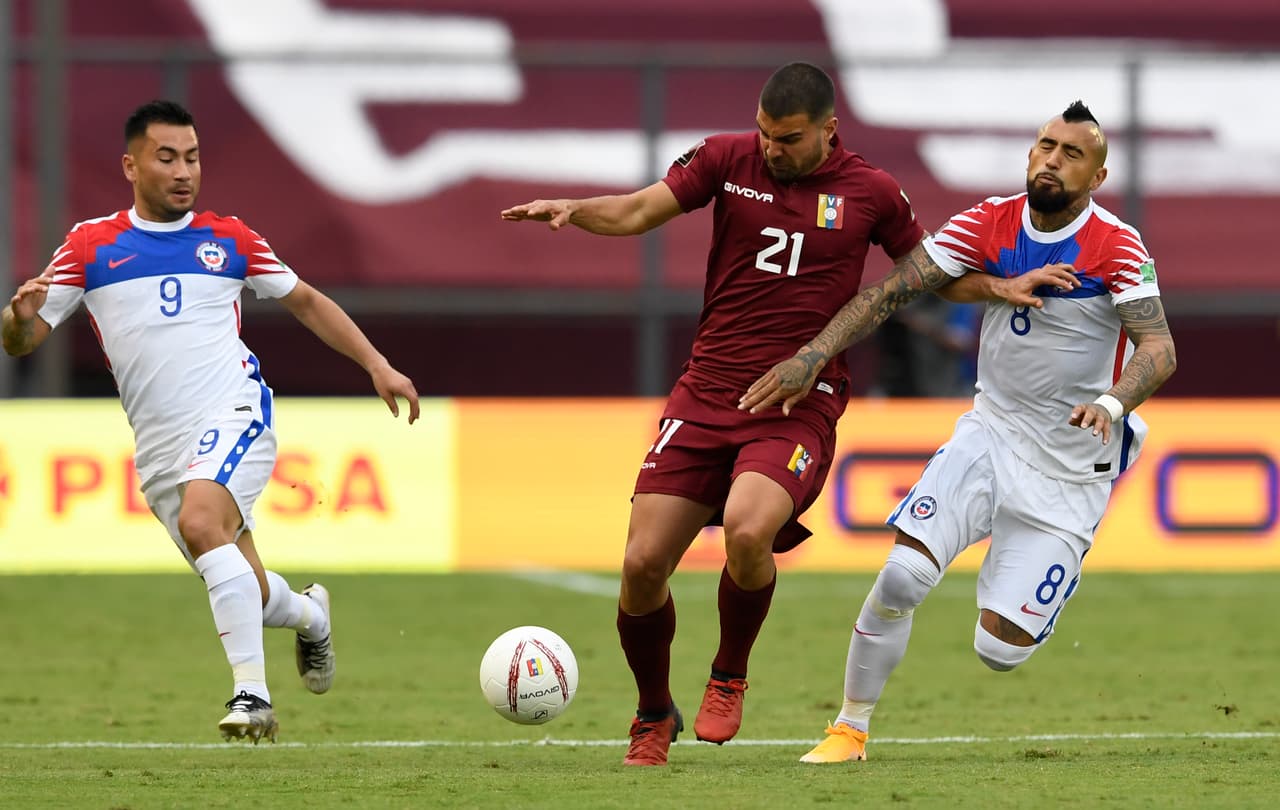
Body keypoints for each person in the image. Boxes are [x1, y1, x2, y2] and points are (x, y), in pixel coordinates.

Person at [501, 62, 927, 766]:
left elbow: (927, 269)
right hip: (706, 392)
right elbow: (638, 211)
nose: (771, 149)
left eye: (787, 139)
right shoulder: (726, 158)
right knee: (641, 564)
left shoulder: (872, 191)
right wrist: (576, 209)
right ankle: (652, 713)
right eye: (764, 133)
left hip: (795, 401)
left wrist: (1004, 283)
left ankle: (728, 674)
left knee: (748, 530)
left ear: (829, 130)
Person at [737, 101, 1177, 763]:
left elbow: (1159, 348)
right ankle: (849, 731)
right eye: (1045, 145)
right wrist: (812, 356)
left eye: (1072, 154)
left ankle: (1046, 575)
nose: (1052, 160)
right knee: (902, 577)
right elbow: (892, 291)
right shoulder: (988, 221)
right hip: (991, 433)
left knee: (999, 649)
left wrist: (1112, 405)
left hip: (1071, 466)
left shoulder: (1116, 245)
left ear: (1097, 177)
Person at [2, 100, 421, 743]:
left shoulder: (229, 239)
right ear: (131, 166)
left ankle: (252, 696)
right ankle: (311, 615)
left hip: (234, 411)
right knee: (244, 585)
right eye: (167, 158)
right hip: (160, 448)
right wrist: (17, 318)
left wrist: (377, 364)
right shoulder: (89, 245)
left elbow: (307, 301)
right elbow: (22, 343)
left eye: (192, 158)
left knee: (203, 523)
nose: (183, 172)